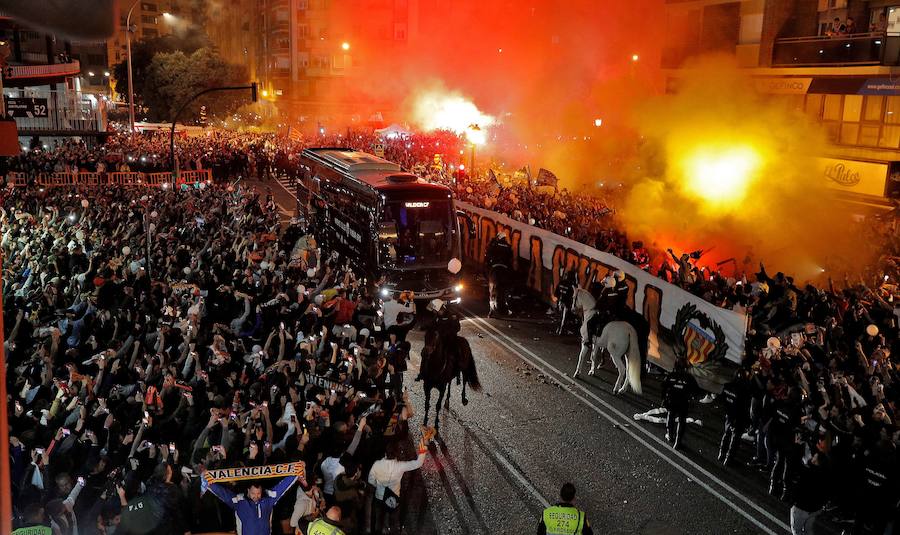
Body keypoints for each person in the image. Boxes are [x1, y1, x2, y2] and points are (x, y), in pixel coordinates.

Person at [203, 474, 299, 535]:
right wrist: (208, 482)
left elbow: (283, 486)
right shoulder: (240, 502)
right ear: (248, 490)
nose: (256, 496)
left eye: (258, 493)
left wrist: (296, 474)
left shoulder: (268, 499)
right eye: (253, 493)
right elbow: (223, 493)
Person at [368, 441, 426, 534]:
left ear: (385, 453)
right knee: (393, 517)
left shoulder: (377, 465)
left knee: (379, 518)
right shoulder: (400, 466)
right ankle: (393, 530)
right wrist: (423, 451)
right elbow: (418, 463)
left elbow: (371, 481)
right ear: (397, 453)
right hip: (393, 497)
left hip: (379, 496)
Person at [661, 357, 698, 449]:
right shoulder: (689, 378)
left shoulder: (671, 376)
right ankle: (678, 442)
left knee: (671, 417)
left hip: (672, 402)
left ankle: (670, 435)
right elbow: (696, 391)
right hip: (683, 403)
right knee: (682, 422)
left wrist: (664, 400)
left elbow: (663, 388)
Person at [718, 368, 751, 466]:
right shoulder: (744, 391)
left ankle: (721, 453)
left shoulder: (727, 386)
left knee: (727, 433)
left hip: (729, 415)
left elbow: (723, 400)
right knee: (735, 438)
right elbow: (745, 406)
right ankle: (728, 458)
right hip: (739, 417)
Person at [485, 231, 514, 317]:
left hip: (494, 268)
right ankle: (506, 308)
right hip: (505, 269)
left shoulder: (494, 245)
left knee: (491, 290)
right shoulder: (508, 247)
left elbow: (488, 254)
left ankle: (490, 311)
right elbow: (510, 258)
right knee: (505, 289)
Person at [554, 269, 577, 335]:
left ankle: (558, 329)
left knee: (560, 316)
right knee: (564, 317)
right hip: (566, 303)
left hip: (559, 302)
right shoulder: (572, 286)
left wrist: (559, 301)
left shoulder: (561, 282)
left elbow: (556, 293)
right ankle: (561, 331)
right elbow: (572, 296)